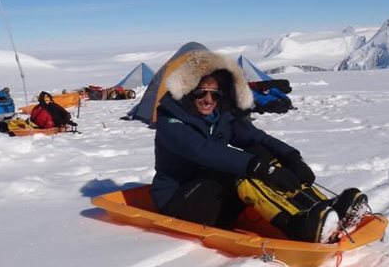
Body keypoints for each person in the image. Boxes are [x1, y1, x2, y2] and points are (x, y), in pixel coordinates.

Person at [151, 49, 366, 243]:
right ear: (187, 92)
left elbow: (255, 137)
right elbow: (205, 152)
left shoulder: (219, 117)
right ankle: (297, 226)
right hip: (179, 203)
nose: (208, 100)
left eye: (215, 94)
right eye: (201, 93)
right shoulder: (170, 121)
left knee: (259, 153)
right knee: (239, 170)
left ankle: (323, 208)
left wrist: (291, 157)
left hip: (213, 197)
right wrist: (262, 168)